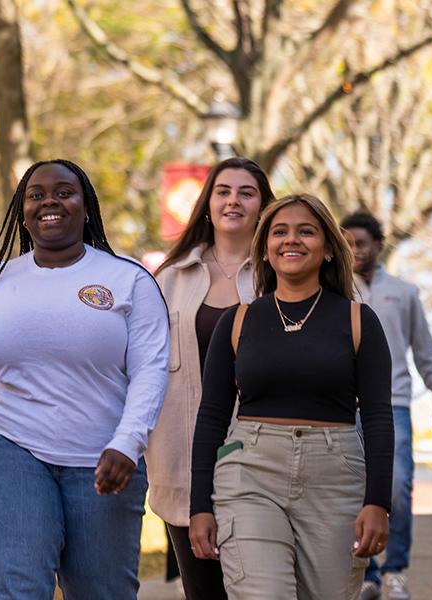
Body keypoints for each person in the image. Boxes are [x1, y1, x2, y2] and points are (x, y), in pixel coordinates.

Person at [0, 159, 170, 599]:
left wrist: (129, 442)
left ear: (86, 206)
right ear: (22, 209)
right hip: (8, 446)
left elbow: (151, 370)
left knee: (102, 591)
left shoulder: (128, 280)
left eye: (64, 192)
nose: (49, 201)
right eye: (36, 194)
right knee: (15, 584)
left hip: (104, 460)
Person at [190, 193, 395, 599]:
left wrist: (378, 502)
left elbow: (377, 416)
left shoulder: (358, 321)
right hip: (250, 473)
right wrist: (199, 506)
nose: (291, 240)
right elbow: (212, 415)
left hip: (336, 478)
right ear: (264, 249)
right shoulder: (238, 321)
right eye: (279, 232)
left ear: (329, 249)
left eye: (307, 231)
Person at [146, 157, 275, 600]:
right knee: (204, 591)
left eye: (246, 192)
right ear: (207, 203)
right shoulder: (169, 279)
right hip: (182, 455)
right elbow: (141, 366)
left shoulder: (280, 276)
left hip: (264, 458)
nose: (233, 201)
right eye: (223, 191)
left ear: (263, 206)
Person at [341, 211, 432, 600]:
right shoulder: (337, 288)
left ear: (377, 245)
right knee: (353, 490)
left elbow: (424, 350)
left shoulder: (404, 292)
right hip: (344, 403)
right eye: (348, 243)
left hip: (393, 403)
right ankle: (367, 573)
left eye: (362, 242)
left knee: (398, 485)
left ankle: (394, 571)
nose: (355, 250)